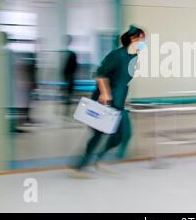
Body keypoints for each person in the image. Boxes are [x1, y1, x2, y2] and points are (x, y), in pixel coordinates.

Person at [72, 25, 146, 178]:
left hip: (119, 102)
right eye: (142, 38)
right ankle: (80, 167)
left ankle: (98, 160)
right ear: (133, 39)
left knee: (124, 134)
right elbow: (100, 74)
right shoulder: (117, 55)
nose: (144, 42)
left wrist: (126, 98)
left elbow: (123, 81)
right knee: (99, 134)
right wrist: (105, 93)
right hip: (104, 100)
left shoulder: (133, 57)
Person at [61, 35, 78, 117]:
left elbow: (74, 67)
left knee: (67, 95)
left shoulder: (70, 54)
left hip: (68, 77)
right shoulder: (68, 53)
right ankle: (65, 111)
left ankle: (66, 111)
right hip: (67, 77)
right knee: (66, 95)